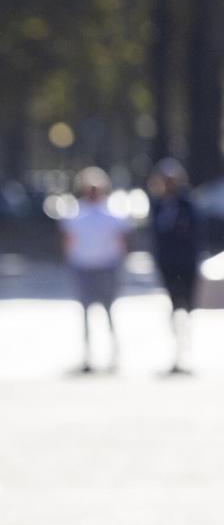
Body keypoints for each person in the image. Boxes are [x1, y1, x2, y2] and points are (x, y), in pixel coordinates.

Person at [59, 166, 130, 373]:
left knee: (109, 312)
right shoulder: (75, 212)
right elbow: (68, 240)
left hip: (107, 267)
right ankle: (88, 356)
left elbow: (122, 241)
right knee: (86, 314)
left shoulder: (112, 212)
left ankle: (114, 355)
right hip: (83, 267)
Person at [147, 157, 204, 374]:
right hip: (168, 264)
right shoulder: (158, 204)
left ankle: (186, 351)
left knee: (187, 308)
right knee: (173, 307)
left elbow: (196, 234)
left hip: (186, 264)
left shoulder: (188, 204)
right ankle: (176, 351)